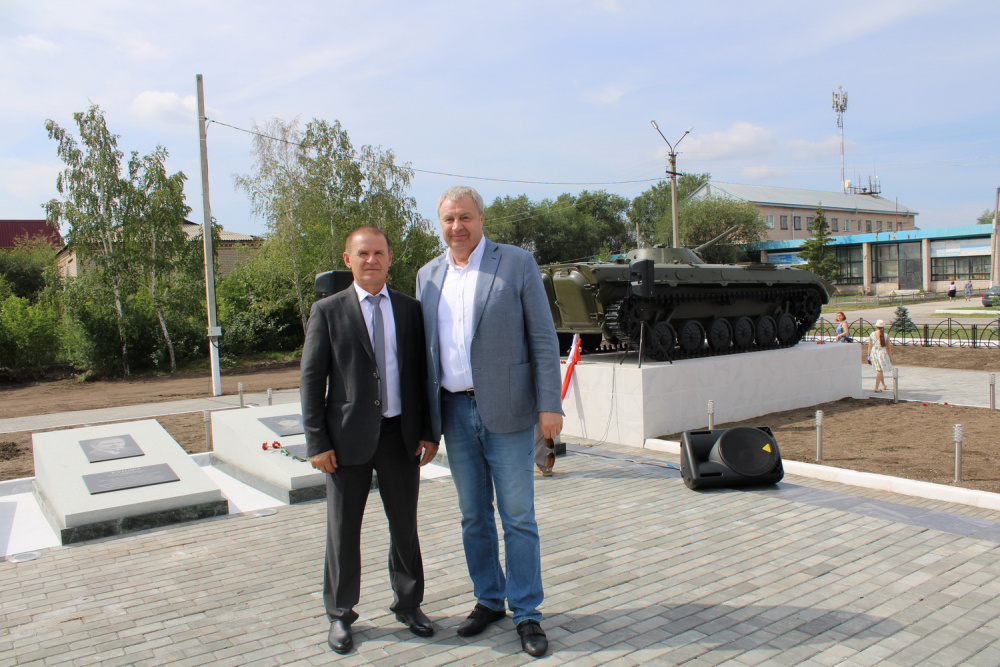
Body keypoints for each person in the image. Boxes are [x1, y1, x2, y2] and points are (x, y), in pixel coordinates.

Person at [416, 186, 563, 658]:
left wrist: (550, 404)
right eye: (448, 219)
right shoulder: (427, 276)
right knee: (473, 515)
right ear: (440, 224)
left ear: (481, 218)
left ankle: (527, 611)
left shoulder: (516, 263)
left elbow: (543, 338)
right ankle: (488, 599)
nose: (456, 226)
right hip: (454, 412)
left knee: (517, 517)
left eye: (465, 217)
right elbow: (425, 352)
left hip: (510, 409)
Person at [300, 226, 439, 654]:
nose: (371, 260)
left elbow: (422, 374)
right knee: (343, 531)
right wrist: (316, 442)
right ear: (348, 259)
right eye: (363, 254)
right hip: (345, 442)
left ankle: (409, 604)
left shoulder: (410, 310)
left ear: (390, 257)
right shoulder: (327, 311)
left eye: (379, 253)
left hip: (400, 437)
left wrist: (429, 431)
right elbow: (311, 380)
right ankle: (340, 614)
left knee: (405, 527)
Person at [867, 319, 893, 393]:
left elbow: (870, 346)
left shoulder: (872, 334)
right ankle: (876, 387)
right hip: (882, 353)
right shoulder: (886, 335)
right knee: (880, 370)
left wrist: (868, 355)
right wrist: (890, 357)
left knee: (879, 370)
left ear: (876, 327)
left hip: (874, 352)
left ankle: (883, 385)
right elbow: (888, 348)